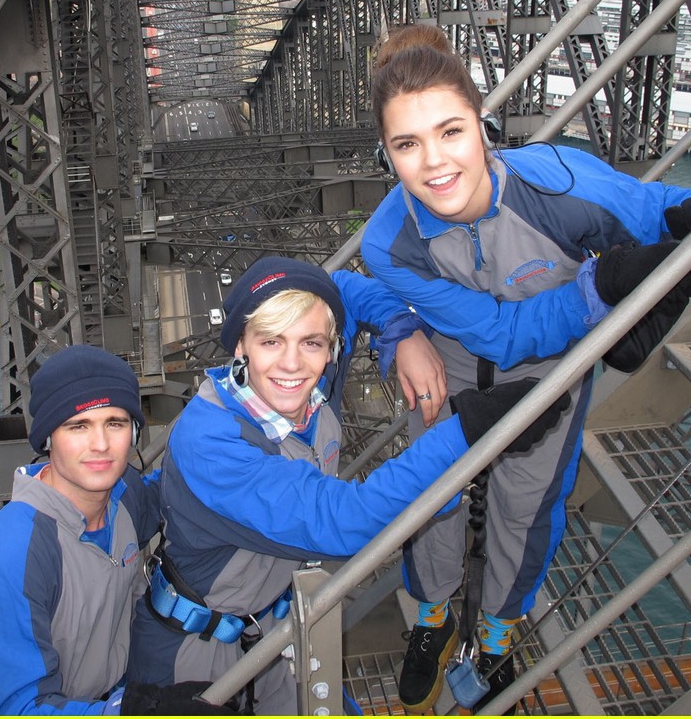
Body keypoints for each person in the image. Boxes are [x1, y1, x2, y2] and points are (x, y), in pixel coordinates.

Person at [361, 24, 691, 712]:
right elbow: (503, 334)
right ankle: (433, 619)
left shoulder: (556, 182)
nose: (434, 161)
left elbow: (644, 208)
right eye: (407, 143)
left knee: (526, 509)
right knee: (433, 504)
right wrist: (599, 291)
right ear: (388, 154)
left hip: (546, 384)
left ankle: (497, 638)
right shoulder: (388, 244)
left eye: (450, 131)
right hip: (458, 373)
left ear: (483, 128)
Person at [125, 257, 568, 714]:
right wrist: (464, 432)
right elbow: (344, 521)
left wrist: (403, 332)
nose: (292, 363)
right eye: (271, 341)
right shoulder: (211, 442)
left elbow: (341, 285)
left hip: (262, 637)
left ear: (332, 346)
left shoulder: (311, 391)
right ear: (241, 346)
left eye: (311, 342)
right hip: (188, 664)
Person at [0, 344, 163, 715]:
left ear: (132, 432)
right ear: (48, 439)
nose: (100, 445)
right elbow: (18, 708)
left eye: (114, 423)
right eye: (78, 426)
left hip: (121, 689)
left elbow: (175, 495)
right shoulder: (14, 551)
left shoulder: (124, 496)